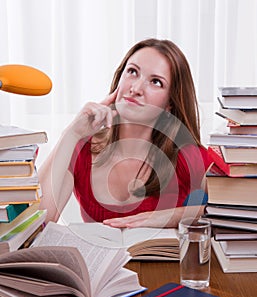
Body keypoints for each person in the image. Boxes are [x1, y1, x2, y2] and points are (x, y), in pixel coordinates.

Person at [38, 38, 212, 228]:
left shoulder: (190, 157)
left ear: (170, 102)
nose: (136, 89)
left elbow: (240, 214)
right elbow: (39, 222)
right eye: (132, 72)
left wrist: (178, 215)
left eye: (155, 82)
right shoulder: (81, 149)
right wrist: (71, 133)